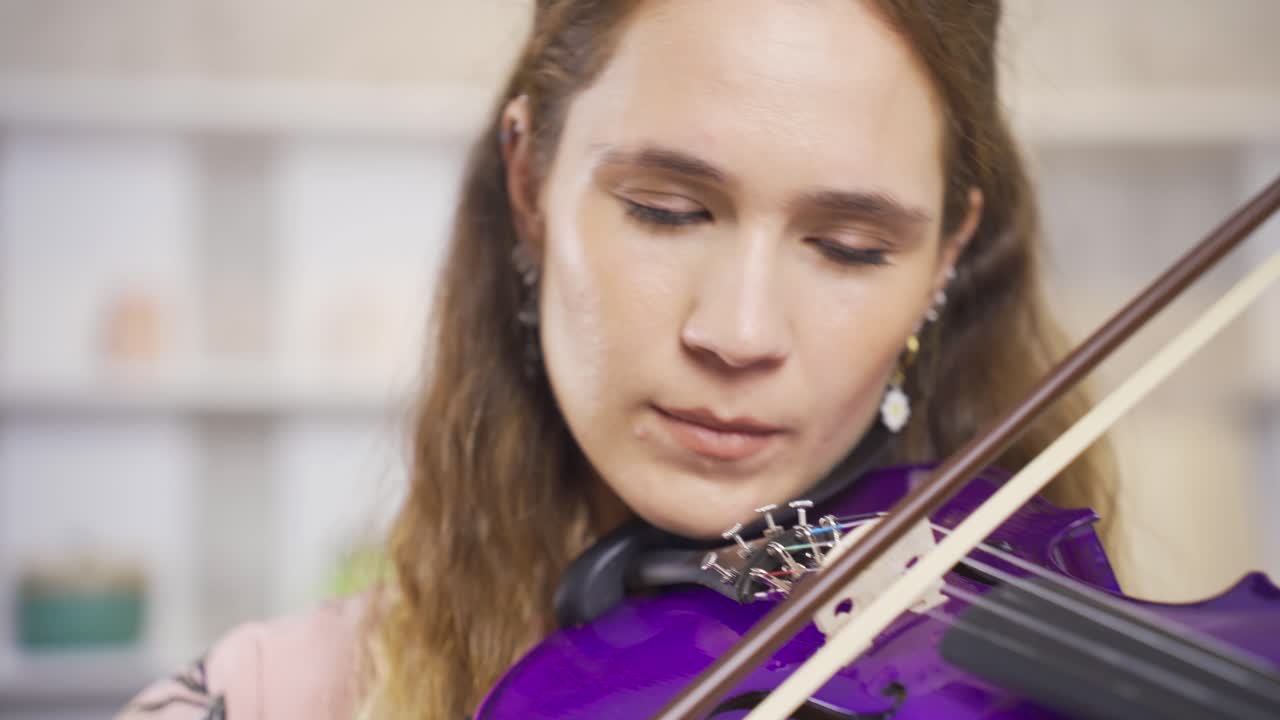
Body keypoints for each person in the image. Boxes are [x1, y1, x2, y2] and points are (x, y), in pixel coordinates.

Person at [119, 1, 1110, 717]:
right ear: (530, 183)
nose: (739, 331)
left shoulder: (1024, 673)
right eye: (665, 211)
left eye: (850, 248)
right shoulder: (257, 701)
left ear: (944, 258)